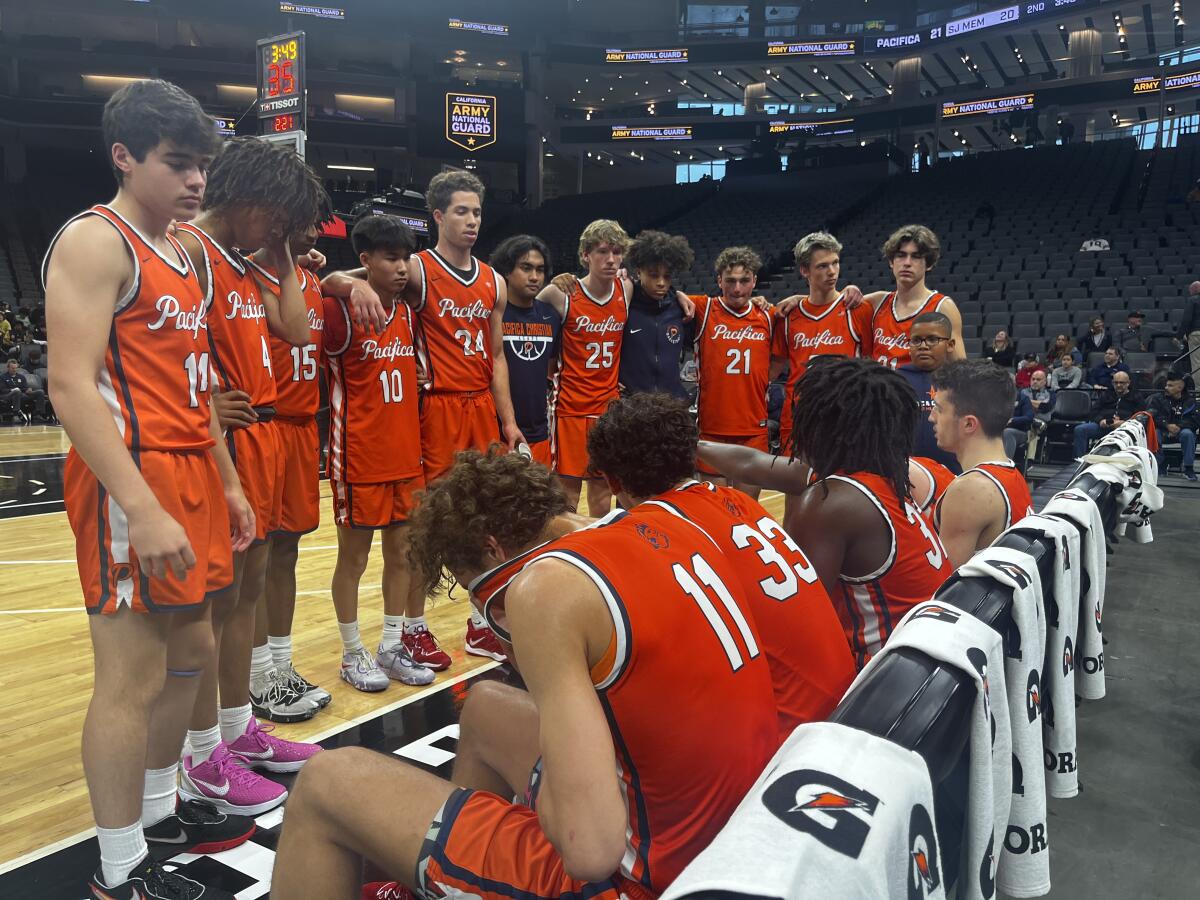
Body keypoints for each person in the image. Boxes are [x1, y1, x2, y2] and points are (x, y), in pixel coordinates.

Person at [273, 447, 779, 900]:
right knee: (488, 705)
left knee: (325, 782)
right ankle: (439, 883)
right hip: (735, 830)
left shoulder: (543, 587)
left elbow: (591, 852)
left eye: (480, 593)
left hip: (650, 877)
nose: (491, 616)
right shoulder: (658, 522)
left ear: (493, 548)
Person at [43, 78, 255, 900]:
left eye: (203, 164)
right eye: (178, 164)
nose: (196, 181)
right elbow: (69, 387)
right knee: (129, 677)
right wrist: (139, 503)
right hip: (135, 480)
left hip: (194, 468)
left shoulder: (183, 247)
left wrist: (227, 479)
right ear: (124, 157)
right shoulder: (96, 243)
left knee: (193, 654)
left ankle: (160, 812)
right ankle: (118, 869)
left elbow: (195, 382)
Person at [174, 136, 326, 815]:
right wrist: (208, 410)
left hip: (259, 434)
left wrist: (282, 250)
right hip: (219, 447)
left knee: (247, 595)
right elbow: (164, 353)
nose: (282, 233)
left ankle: (239, 731)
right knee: (215, 605)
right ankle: (202, 750)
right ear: (249, 200)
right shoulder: (188, 252)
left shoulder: (244, 261)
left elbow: (297, 331)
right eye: (279, 218)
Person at [327, 168, 520, 670]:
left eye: (477, 211)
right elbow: (347, 277)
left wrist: (509, 420)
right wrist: (352, 289)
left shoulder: (493, 281)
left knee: (487, 520)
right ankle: (412, 628)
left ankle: (482, 621)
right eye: (461, 211)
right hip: (434, 408)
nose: (472, 221)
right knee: (426, 526)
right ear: (438, 215)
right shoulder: (415, 269)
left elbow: (497, 356)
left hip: (480, 404)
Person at [597, 393, 856, 739]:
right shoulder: (736, 500)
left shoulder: (658, 530)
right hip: (848, 697)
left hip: (793, 733)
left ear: (613, 482)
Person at [323, 215, 438, 692]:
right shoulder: (339, 310)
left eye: (406, 258)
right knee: (353, 560)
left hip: (405, 456)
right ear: (365, 260)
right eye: (390, 258)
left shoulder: (410, 314)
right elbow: (321, 283)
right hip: (358, 459)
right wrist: (346, 284)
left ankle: (391, 646)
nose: (401, 267)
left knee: (404, 555)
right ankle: (353, 654)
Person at [783, 358, 952, 668]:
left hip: (883, 676)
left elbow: (798, 620)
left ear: (823, 425)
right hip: (932, 661)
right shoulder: (890, 476)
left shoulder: (833, 502)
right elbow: (770, 469)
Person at [242, 211, 334, 718]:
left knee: (287, 554)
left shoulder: (315, 279)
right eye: (305, 223)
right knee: (256, 560)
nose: (314, 233)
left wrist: (348, 276)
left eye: (318, 225)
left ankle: (279, 664)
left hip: (302, 428)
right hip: (264, 425)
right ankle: (256, 677)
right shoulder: (245, 276)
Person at [535, 219, 632, 516]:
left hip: (608, 408)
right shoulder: (561, 293)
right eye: (603, 251)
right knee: (566, 496)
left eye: (617, 251)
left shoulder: (626, 289)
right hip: (570, 409)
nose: (611, 259)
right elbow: (520, 310)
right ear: (586, 255)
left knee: (602, 495)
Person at [771, 231, 874, 453]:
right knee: (796, 484)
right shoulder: (788, 315)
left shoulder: (857, 309)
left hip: (845, 413)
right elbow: (775, 366)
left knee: (844, 484)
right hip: (799, 414)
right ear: (804, 270)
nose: (832, 271)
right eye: (822, 266)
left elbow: (871, 363)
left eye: (835, 263)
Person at [929, 360, 1035, 568]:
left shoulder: (971, 490)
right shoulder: (1010, 473)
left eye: (939, 409)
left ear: (969, 423)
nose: (931, 418)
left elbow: (942, 586)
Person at [693, 246, 775, 498]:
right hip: (712, 427)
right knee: (715, 512)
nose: (737, 289)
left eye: (744, 281)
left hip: (753, 428)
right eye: (730, 281)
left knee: (748, 510)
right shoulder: (702, 309)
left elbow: (780, 359)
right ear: (719, 280)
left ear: (754, 282)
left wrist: (762, 380)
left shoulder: (769, 315)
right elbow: (657, 293)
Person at [491, 234, 558, 469]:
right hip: (497, 432)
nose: (534, 277)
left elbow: (551, 366)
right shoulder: (491, 313)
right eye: (526, 268)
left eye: (540, 270)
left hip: (539, 431)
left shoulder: (551, 316)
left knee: (537, 502)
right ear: (507, 271)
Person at [858, 224, 965, 368]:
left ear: (929, 264)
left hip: (920, 389)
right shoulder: (877, 302)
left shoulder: (943, 307)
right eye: (901, 255)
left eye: (916, 257)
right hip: (878, 389)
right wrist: (850, 290)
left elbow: (961, 371)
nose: (907, 263)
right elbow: (834, 305)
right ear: (891, 262)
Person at [617, 230, 697, 398]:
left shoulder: (680, 308)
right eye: (653, 275)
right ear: (639, 271)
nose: (661, 283)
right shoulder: (624, 304)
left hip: (671, 405)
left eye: (667, 276)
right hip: (632, 406)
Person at [897, 311, 961, 473]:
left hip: (954, 473)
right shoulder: (894, 380)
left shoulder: (963, 381)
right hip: (905, 473)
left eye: (933, 339)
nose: (923, 346)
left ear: (950, 345)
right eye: (916, 340)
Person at [1073, 371, 1139, 457]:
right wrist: (1100, 420)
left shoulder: (1136, 396)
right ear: (1112, 383)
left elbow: (1140, 415)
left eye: (1121, 383)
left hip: (1125, 429)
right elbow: (1094, 411)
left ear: (1128, 383)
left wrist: (1124, 422)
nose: (1118, 385)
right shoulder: (1106, 394)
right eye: (1116, 383)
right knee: (1080, 430)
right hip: (1104, 426)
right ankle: (1079, 461)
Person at [1148, 372, 1197, 480]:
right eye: (1166, 385)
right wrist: (1167, 425)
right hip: (1162, 429)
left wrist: (1179, 426)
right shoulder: (1157, 399)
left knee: (1188, 434)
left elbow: (1194, 420)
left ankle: (1188, 468)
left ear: (1180, 387)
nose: (1166, 387)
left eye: (1170, 385)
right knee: (1154, 433)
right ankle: (1159, 465)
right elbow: (1152, 415)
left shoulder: (1190, 401)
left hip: (1181, 431)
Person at [1019, 368, 1055, 459]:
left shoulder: (1050, 393)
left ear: (1045, 381)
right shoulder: (1023, 391)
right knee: (1030, 424)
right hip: (1026, 420)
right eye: (1033, 379)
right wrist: (1038, 404)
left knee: (1032, 427)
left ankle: (1029, 459)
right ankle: (1029, 459)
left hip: (1042, 422)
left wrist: (1027, 402)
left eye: (1038, 380)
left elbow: (1046, 407)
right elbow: (1019, 406)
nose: (1035, 381)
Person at [1179, 282, 1200, 384]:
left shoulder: (1192, 300)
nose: (1190, 293)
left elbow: (1186, 319)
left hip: (1196, 334)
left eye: (1190, 291)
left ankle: (1198, 393)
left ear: (1194, 290)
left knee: (1197, 364)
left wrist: (1180, 335)